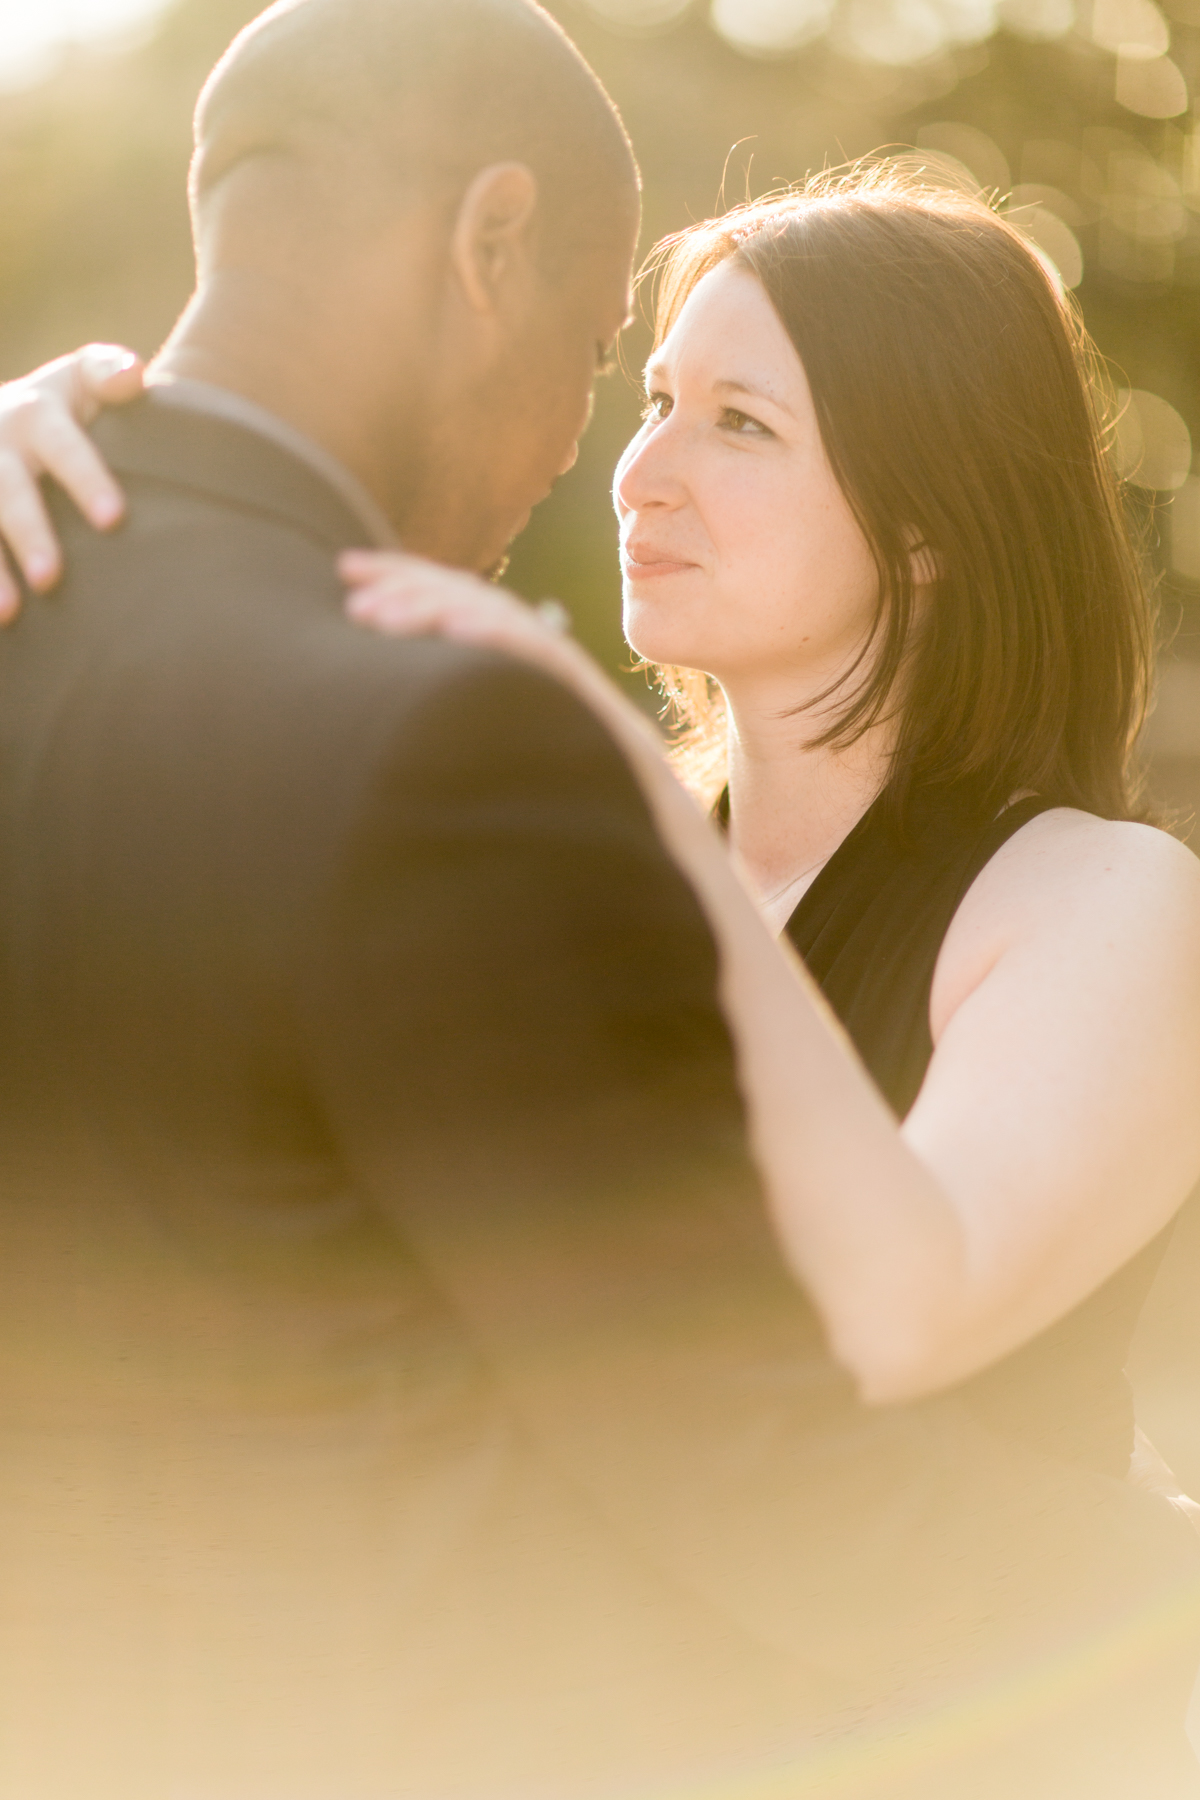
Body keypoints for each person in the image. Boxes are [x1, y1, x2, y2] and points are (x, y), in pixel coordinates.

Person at [3, 17, 1200, 1800]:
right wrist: (110, 438)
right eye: (645, 396)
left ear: (937, 514)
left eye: (739, 423)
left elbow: (882, 1332)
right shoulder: (531, 860)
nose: (635, 469)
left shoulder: (1105, 902)